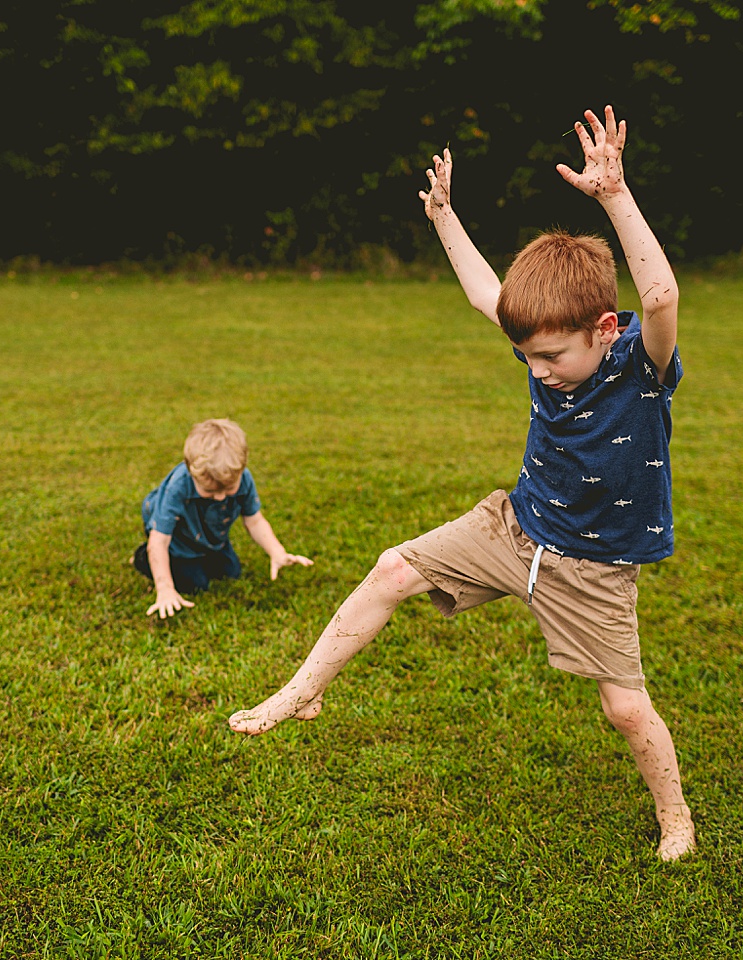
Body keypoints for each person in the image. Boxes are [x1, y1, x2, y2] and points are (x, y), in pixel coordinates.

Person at [227, 106, 696, 860]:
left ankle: (675, 814)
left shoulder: (642, 366)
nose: (536, 371)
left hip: (594, 568)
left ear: (606, 328)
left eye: (550, 357)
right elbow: (490, 295)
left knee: (625, 709)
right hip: (514, 528)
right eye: (528, 355)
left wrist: (613, 195)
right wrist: (445, 217)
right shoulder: (541, 340)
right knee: (392, 568)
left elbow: (664, 296)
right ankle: (302, 689)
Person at [135, 418, 312, 618]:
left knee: (231, 572)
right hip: (180, 543)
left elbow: (254, 520)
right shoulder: (178, 487)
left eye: (228, 489)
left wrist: (277, 551)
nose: (220, 497)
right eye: (209, 490)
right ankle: (143, 558)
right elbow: (160, 540)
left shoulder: (244, 479)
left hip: (211, 538)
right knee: (197, 584)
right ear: (192, 472)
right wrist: (165, 588)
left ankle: (204, 555)